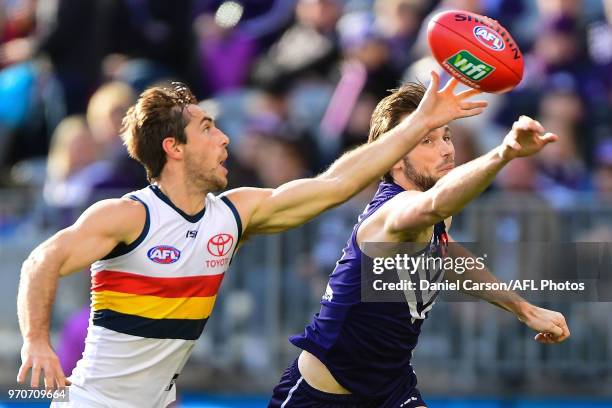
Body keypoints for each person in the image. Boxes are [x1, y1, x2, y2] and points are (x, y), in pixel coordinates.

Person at [16, 73, 486, 407]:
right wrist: (36, 340)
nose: (224, 139)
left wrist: (419, 124)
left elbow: (336, 184)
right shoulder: (129, 214)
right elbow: (42, 259)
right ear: (173, 148)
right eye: (208, 128)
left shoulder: (233, 214)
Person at [270, 82, 571, 408]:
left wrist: (523, 309)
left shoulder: (434, 219)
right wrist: (505, 152)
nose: (446, 150)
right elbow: (434, 206)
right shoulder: (395, 212)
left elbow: (449, 254)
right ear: (394, 159)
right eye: (427, 140)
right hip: (323, 397)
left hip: (391, 388)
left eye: (446, 137)